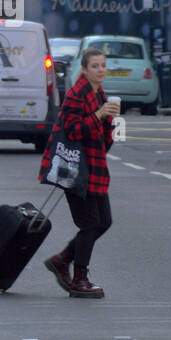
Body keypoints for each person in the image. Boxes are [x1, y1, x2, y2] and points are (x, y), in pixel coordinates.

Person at [39, 47, 118, 299]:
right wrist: (98, 115)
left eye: (103, 65)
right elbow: (72, 131)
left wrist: (108, 121)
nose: (101, 70)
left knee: (104, 221)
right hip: (75, 169)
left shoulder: (99, 93)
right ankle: (79, 278)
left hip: (94, 168)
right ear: (84, 70)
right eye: (95, 66)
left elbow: (102, 140)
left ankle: (62, 260)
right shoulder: (76, 94)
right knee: (90, 223)